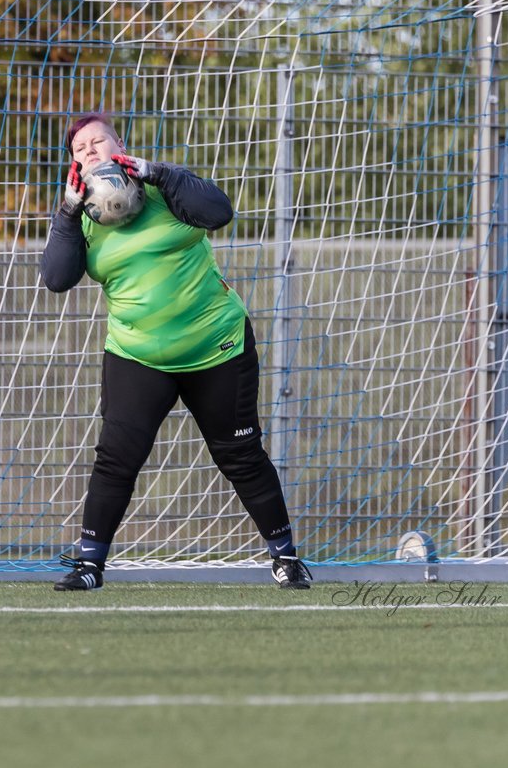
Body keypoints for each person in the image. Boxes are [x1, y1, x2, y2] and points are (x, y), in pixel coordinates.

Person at [40, 113, 312, 591]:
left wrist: (159, 172)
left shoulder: (165, 190)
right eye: (79, 148)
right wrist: (66, 211)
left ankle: (286, 558)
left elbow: (220, 211)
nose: (89, 150)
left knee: (241, 455)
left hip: (217, 346)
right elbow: (57, 280)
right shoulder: (81, 217)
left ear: (119, 146)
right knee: (117, 458)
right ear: (73, 165)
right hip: (137, 354)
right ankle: (88, 567)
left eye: (97, 140)